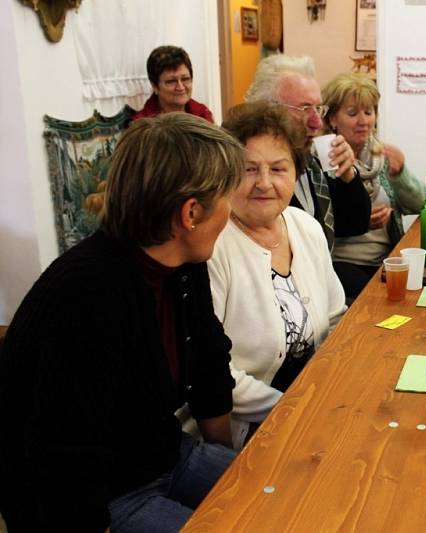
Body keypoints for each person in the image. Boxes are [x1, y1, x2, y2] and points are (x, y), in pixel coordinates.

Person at [0, 113, 244, 531]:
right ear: (190, 213)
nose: (231, 208)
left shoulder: (183, 264)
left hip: (163, 454)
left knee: (281, 496)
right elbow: (62, 455)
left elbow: (208, 366)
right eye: (227, 196)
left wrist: (230, 469)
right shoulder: (87, 293)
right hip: (102, 495)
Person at [210, 102, 347, 450]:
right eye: (249, 169)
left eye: (278, 168)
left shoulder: (305, 227)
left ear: (296, 172)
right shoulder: (213, 245)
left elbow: (335, 319)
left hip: (313, 405)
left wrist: (334, 396)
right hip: (248, 427)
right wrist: (295, 407)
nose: (265, 183)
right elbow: (214, 375)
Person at [245, 54, 371, 253]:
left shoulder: (314, 160)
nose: (317, 122)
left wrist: (349, 176)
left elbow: (355, 224)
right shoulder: (249, 174)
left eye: (318, 109)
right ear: (267, 109)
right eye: (304, 109)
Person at [321, 73, 425, 298]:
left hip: (387, 258)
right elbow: (318, 222)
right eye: (352, 113)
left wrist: (400, 174)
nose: (363, 121)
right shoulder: (323, 161)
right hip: (340, 263)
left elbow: (422, 204)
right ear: (332, 119)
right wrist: (360, 222)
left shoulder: (381, 155)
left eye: (368, 112)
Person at [132, 45, 214, 123]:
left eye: (185, 79)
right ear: (155, 86)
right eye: (171, 81)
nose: (181, 87)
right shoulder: (142, 126)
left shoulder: (203, 114)